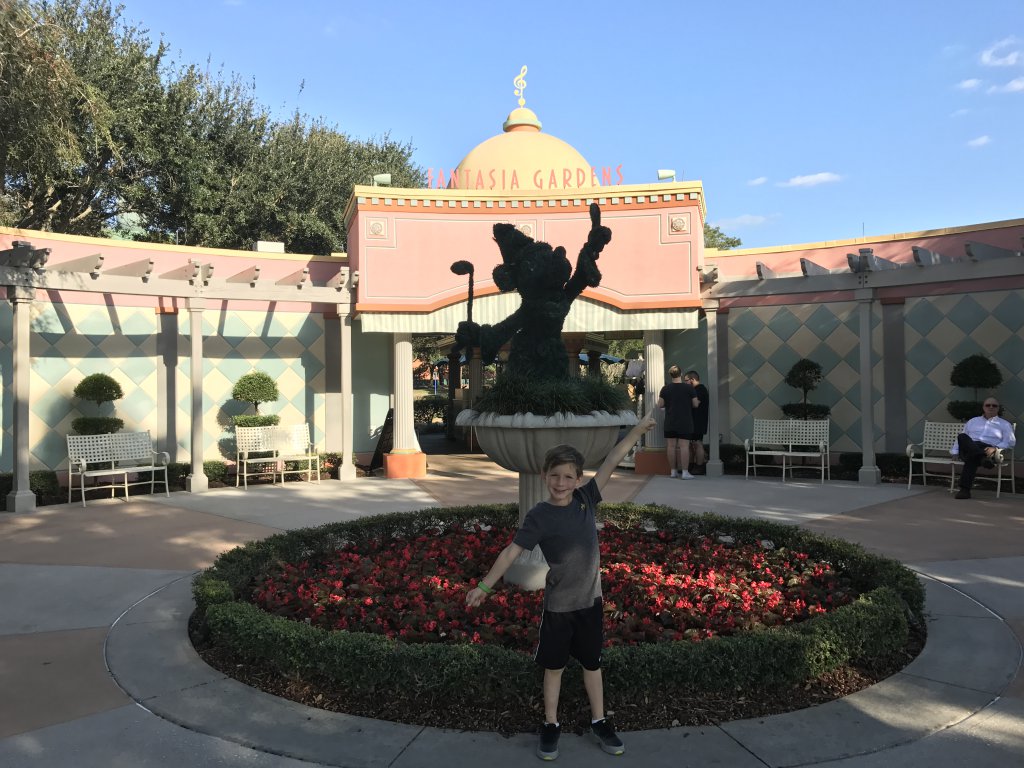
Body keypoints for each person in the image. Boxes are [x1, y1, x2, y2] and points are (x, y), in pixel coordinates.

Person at [466, 413, 656, 762]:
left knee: (592, 665)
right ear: (544, 476)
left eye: (568, 476)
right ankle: (551, 724)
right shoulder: (539, 516)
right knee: (553, 668)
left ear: (578, 479)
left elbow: (612, 459)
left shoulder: (586, 499)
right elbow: (511, 552)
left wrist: (639, 430)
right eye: (554, 475)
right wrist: (484, 586)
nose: (561, 482)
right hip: (558, 609)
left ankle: (600, 721)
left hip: (590, 604)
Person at [951, 398, 1016, 499]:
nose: (991, 407)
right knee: (962, 437)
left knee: (971, 458)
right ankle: (982, 458)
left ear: (998, 408)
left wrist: (996, 448)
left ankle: (965, 490)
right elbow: (962, 439)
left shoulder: (1004, 424)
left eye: (994, 405)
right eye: (988, 405)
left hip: (989, 450)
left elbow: (1011, 441)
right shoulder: (973, 421)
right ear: (983, 407)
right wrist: (954, 452)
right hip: (974, 449)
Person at [657, 365, 699, 479]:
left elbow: (660, 404)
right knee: (684, 447)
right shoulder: (689, 388)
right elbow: (695, 404)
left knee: (671, 446)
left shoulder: (665, 389)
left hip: (670, 421)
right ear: (681, 374)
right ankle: (685, 472)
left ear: (670, 375)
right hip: (685, 421)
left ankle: (673, 471)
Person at [684, 370, 709, 474]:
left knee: (697, 443)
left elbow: (695, 403)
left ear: (692, 379)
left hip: (698, 422)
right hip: (692, 422)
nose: (685, 383)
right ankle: (690, 466)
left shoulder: (700, 389)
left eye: (686, 380)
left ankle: (699, 467)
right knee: (691, 444)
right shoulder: (695, 390)